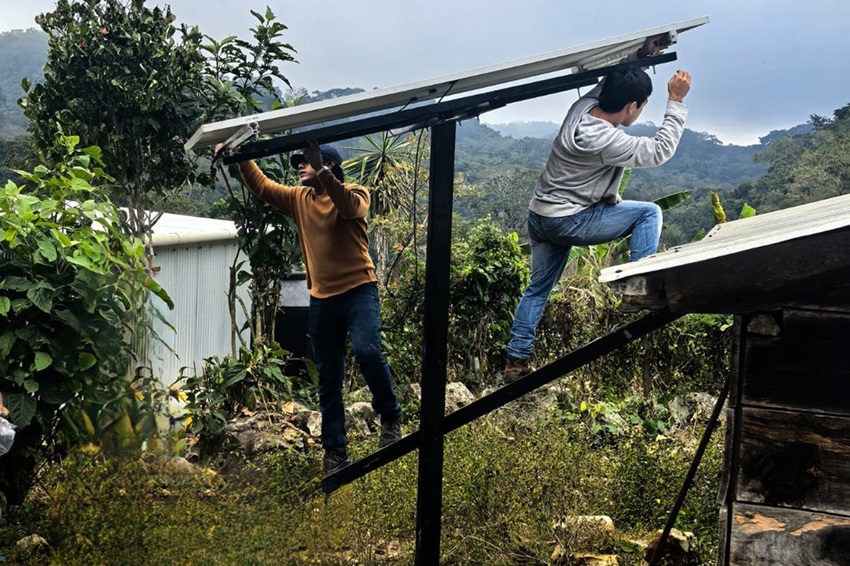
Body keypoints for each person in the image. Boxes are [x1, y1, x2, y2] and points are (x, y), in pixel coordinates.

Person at [504, 36, 692, 382]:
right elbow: (659, 150)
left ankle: (516, 359)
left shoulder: (583, 108)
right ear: (632, 106)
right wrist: (675, 102)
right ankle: (639, 286)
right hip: (570, 219)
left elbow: (611, 78)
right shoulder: (608, 140)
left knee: (537, 289)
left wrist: (644, 53)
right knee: (649, 212)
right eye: (643, 106)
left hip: (540, 215)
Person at [217, 140, 403, 475]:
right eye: (300, 163)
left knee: (367, 350)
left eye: (307, 162)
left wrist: (321, 172)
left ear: (328, 165)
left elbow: (348, 208)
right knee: (328, 376)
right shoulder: (299, 199)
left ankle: (389, 414)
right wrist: (240, 155)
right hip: (322, 297)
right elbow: (262, 186)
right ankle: (334, 452)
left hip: (359, 289)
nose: (300, 167)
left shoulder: (356, 191)